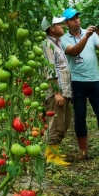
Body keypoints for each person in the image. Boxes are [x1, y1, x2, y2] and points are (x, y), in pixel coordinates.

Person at [59, 8, 99, 160]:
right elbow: (73, 52)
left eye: (77, 17)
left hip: (95, 80)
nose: (76, 20)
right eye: (72, 18)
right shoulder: (64, 39)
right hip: (76, 82)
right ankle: (83, 152)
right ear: (66, 22)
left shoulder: (92, 35)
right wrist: (87, 37)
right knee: (80, 116)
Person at [40, 16, 73, 166]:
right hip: (56, 92)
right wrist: (57, 92)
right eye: (60, 24)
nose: (63, 26)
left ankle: (55, 151)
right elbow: (49, 69)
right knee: (56, 124)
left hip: (64, 90)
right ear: (52, 28)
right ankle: (51, 157)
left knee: (64, 123)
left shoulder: (57, 44)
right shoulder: (47, 44)